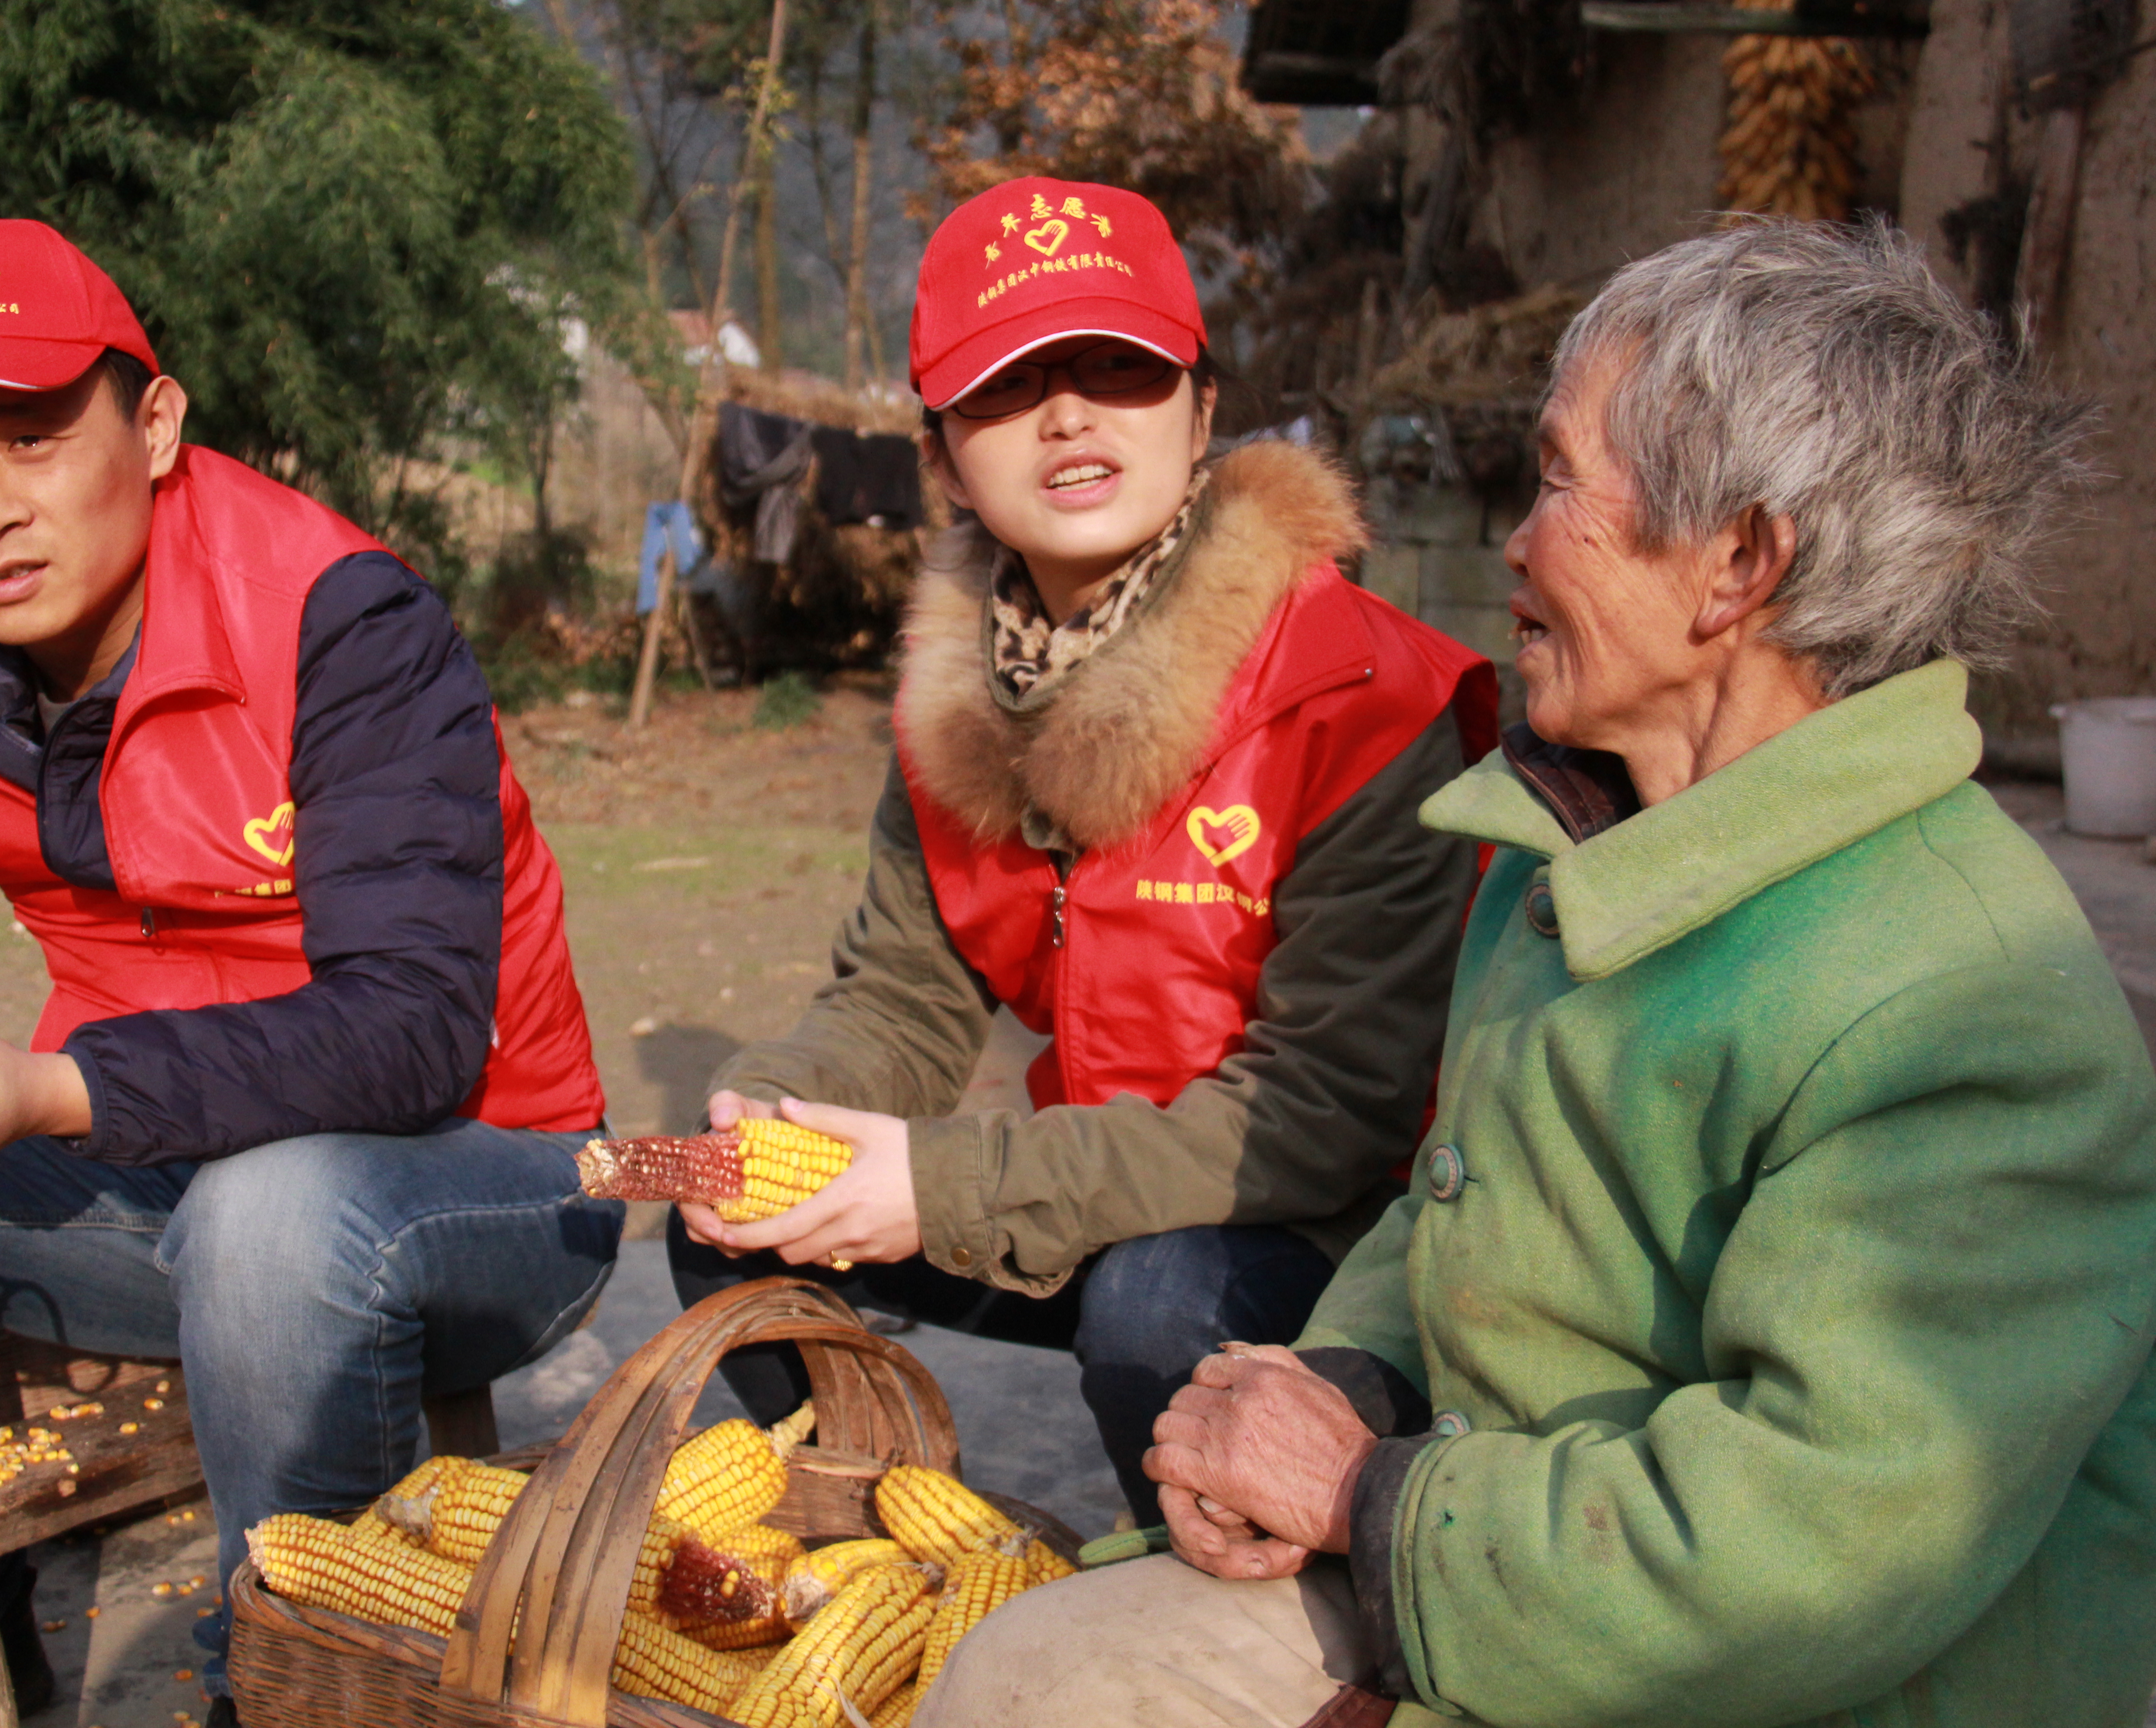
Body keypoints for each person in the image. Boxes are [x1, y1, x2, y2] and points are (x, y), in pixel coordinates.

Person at [918, 219, 2156, 1728]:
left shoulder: (1967, 1011)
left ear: (1738, 564)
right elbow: (1456, 1197)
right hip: (1505, 1552)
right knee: (1023, 1674)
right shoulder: (1569, 844)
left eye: (1561, 481)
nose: (1513, 542)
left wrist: (1371, 1499)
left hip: (1773, 1675)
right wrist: (1348, 1384)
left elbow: (1817, 1551)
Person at [0, 220, 620, 1727]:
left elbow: (415, 1034)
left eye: (33, 439)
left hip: (477, 1184)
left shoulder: (339, 622)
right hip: (150, 1183)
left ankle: (295, 1683)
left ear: (153, 425)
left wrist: (48, 1087)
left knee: (276, 1217)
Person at [669, 178, 1498, 1524]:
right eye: (1009, 386)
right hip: (1095, 1196)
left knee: (1161, 1307)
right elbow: (903, 996)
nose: (1069, 415)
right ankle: (895, 1571)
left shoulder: (1362, 701)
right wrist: (779, 1104)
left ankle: (1236, 1646)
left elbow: (1324, 1117)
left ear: (1201, 403)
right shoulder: (956, 704)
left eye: (1117, 366)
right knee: (736, 1236)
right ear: (940, 454)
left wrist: (940, 1185)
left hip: (1348, 1233)